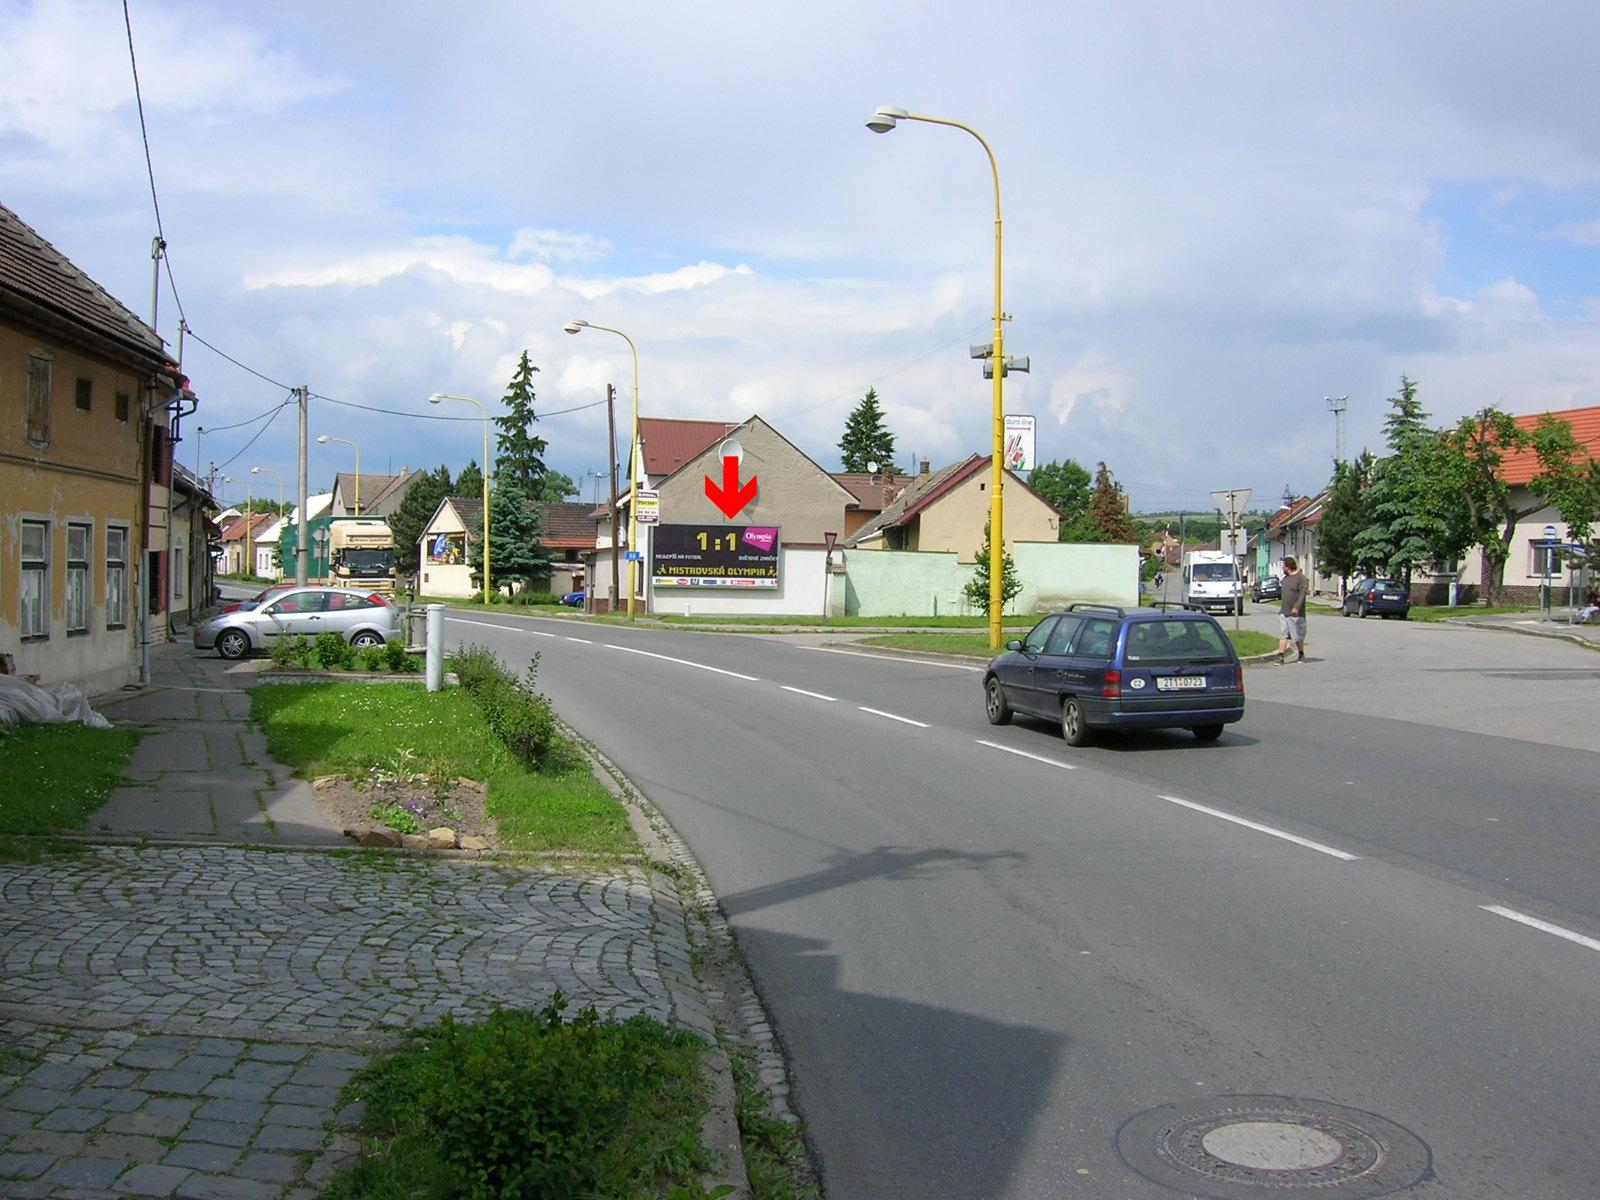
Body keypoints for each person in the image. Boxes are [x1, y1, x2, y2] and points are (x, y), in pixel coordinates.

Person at [1277, 556, 1309, 663]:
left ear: (1288, 566)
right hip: (1284, 612)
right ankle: (1280, 656)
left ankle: (1301, 654)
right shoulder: (1285, 579)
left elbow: (1302, 594)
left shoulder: (1301, 578)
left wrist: (1297, 607)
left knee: (1297, 636)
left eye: (1283, 566)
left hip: (1296, 613)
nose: (1282, 568)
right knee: (1283, 634)